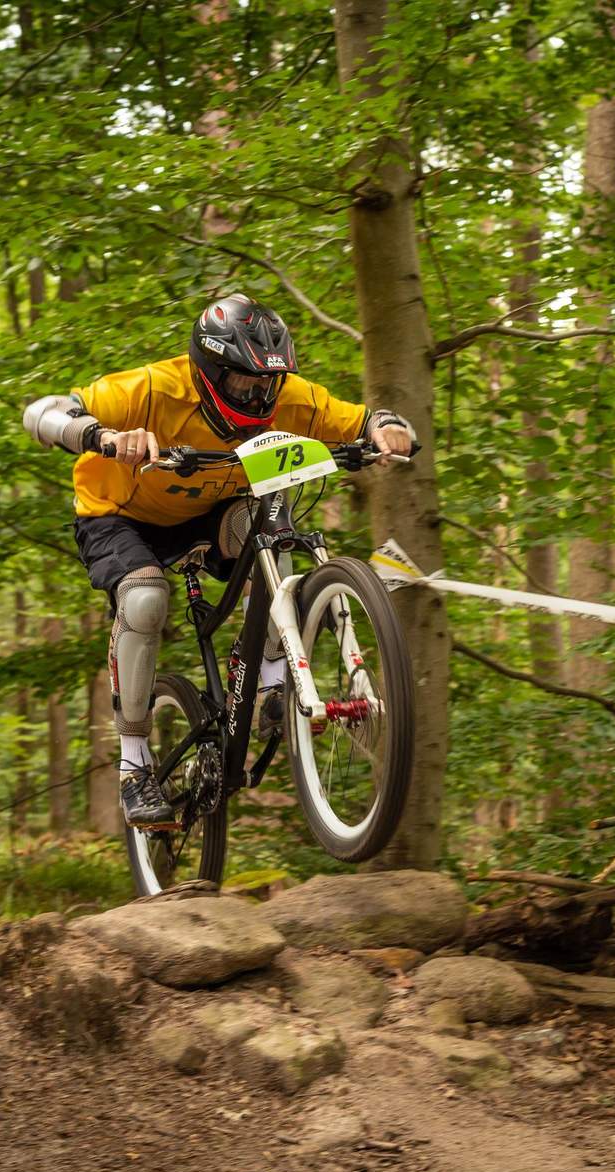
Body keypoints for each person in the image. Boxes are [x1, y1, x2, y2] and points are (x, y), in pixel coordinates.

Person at [21, 294, 415, 826]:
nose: (257, 396)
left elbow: (368, 419)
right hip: (119, 514)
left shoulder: (290, 396)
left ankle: (270, 678)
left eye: (267, 384)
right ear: (208, 371)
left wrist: (386, 429)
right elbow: (40, 412)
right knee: (144, 599)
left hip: (210, 511)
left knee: (276, 530)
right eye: (243, 384)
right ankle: (134, 765)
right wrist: (104, 436)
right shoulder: (153, 388)